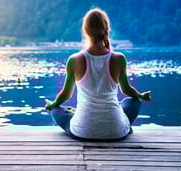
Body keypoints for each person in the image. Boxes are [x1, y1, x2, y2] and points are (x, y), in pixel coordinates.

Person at [45, 8, 151, 140]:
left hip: (82, 131)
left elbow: (66, 94)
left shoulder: (74, 60)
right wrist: (141, 96)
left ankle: (73, 113)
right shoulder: (119, 58)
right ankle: (125, 126)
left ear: (85, 31)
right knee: (134, 102)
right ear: (107, 29)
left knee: (56, 109)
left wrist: (52, 104)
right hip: (116, 132)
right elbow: (126, 90)